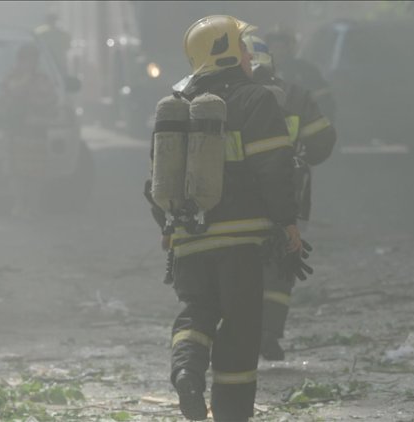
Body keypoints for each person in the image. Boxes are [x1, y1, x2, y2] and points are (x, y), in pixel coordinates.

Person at [144, 15, 309, 422]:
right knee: (239, 326)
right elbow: (274, 167)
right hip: (240, 242)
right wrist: (288, 222)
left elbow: (155, 180)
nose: (250, 56)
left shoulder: (177, 105)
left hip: (187, 237)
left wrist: (169, 229)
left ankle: (186, 370)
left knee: (196, 311)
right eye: (242, 46)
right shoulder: (256, 99)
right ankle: (232, 414)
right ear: (225, 52)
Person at [244, 34, 336, 361]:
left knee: (234, 264)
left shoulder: (217, 96)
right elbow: (323, 141)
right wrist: (300, 156)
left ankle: (234, 334)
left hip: (232, 202)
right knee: (280, 264)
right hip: (284, 197)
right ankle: (268, 334)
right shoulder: (295, 95)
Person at [0, 43, 57, 219]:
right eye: (26, 59)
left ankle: (33, 207)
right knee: (16, 172)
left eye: (33, 59)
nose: (30, 63)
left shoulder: (42, 78)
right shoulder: (12, 77)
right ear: (20, 60)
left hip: (36, 132)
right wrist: (26, 81)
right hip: (16, 132)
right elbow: (11, 92)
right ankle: (19, 205)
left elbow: (50, 99)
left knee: (36, 173)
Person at [264, 26, 336, 123]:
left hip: (304, 125)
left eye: (283, 47)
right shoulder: (260, 72)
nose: (279, 52)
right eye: (275, 47)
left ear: (290, 48)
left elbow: (324, 96)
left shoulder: (306, 70)